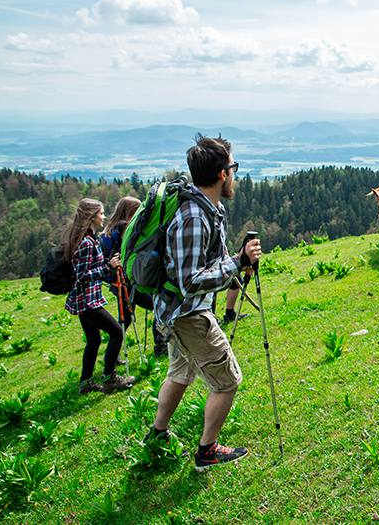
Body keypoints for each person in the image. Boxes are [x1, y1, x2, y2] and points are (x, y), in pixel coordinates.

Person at [146, 134, 262, 472]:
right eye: (233, 167)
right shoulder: (194, 217)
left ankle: (157, 434)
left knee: (181, 373)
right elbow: (190, 281)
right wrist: (237, 262)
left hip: (179, 311)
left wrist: (237, 264)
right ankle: (207, 451)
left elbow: (215, 260)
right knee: (227, 382)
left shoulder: (211, 209)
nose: (235, 175)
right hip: (187, 313)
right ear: (223, 174)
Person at [64, 198, 136, 393]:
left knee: (94, 339)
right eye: (101, 213)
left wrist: (107, 265)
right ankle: (110, 377)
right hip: (88, 301)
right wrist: (107, 267)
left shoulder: (85, 238)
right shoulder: (86, 242)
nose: (104, 217)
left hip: (84, 300)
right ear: (92, 216)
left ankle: (86, 382)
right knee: (116, 331)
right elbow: (81, 276)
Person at [100, 196, 169, 357]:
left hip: (117, 282)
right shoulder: (126, 228)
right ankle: (160, 345)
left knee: (125, 319)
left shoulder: (109, 232)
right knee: (157, 305)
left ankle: (114, 354)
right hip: (129, 281)